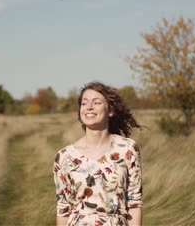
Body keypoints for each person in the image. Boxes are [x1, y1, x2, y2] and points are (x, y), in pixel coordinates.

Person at [53, 82, 143, 226]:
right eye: (84, 103)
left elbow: (134, 203)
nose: (89, 107)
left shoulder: (127, 149)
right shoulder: (64, 157)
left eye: (96, 102)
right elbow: (63, 208)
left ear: (110, 111)